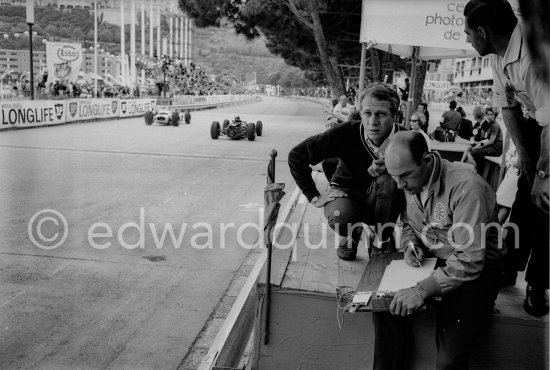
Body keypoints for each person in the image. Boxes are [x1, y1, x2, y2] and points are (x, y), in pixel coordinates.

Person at [374, 131, 503, 370]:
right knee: (387, 307)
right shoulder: (410, 179)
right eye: (395, 177)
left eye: (404, 176)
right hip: (436, 261)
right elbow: (411, 223)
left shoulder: (467, 187)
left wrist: (423, 289)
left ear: (426, 159)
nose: (400, 185)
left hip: (476, 272)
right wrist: (411, 245)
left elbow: (470, 259)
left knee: (448, 360)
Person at [465, 0, 549, 315]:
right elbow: (508, 105)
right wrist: (525, 156)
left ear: (483, 32)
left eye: (468, 33)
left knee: (545, 205)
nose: (467, 39)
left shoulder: (534, 53)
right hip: (534, 123)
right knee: (522, 201)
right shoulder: (498, 56)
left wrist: (542, 176)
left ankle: (538, 285)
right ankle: (509, 267)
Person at [288, 82, 406, 261]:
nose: (372, 122)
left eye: (381, 114)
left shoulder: (405, 139)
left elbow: (422, 177)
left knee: (390, 181)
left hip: (382, 199)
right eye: (367, 113)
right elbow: (297, 155)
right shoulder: (345, 132)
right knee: (340, 217)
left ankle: (380, 239)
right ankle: (351, 234)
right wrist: (313, 195)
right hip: (347, 193)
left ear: (395, 115)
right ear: (360, 111)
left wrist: (392, 166)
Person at [461, 107, 503, 173]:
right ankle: (463, 165)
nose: (489, 116)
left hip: (496, 147)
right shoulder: (489, 124)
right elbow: (479, 136)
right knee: (470, 150)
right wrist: (476, 143)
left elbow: (490, 141)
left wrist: (480, 146)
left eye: (491, 115)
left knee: (471, 153)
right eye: (488, 114)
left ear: (495, 115)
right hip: (491, 145)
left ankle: (474, 171)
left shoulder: (494, 125)